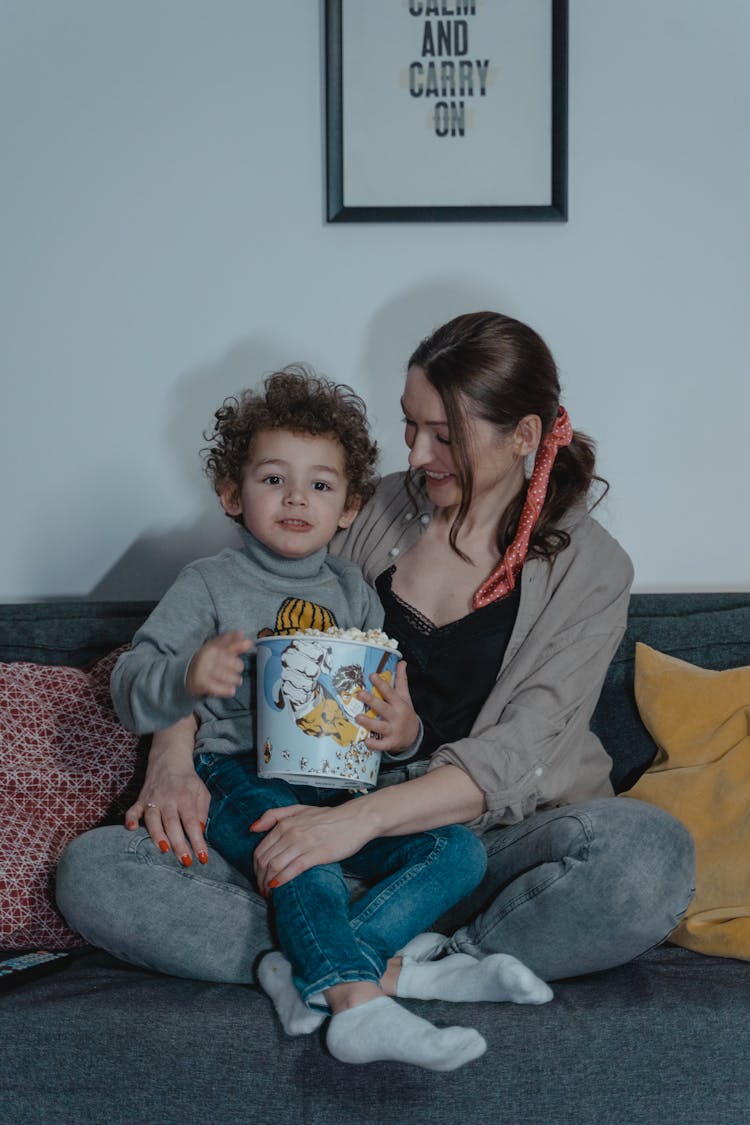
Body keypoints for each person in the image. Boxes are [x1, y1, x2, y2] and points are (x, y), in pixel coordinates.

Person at [57, 311, 694, 1016]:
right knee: (95, 871)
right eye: (409, 426)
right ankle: (386, 967)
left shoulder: (593, 568)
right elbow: (226, 619)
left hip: (478, 853)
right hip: (315, 829)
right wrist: (173, 758)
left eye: (445, 435)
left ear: (525, 437)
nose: (419, 456)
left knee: (650, 857)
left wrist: (354, 824)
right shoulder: (365, 507)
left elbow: (519, 760)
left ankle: (337, 957)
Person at [103, 366, 548, 1072]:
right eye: (273, 479)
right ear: (230, 492)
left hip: (340, 787)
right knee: (301, 859)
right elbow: (130, 683)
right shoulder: (208, 584)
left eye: (319, 484)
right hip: (239, 774)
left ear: (348, 507)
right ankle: (361, 1006)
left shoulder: (354, 590)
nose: (295, 499)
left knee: (458, 851)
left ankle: (335, 969)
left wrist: (401, 731)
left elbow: (384, 719)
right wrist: (187, 675)